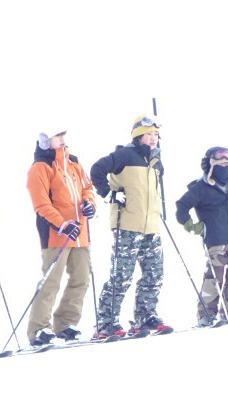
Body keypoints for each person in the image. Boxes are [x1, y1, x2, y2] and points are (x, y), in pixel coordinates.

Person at [89, 114, 172, 338]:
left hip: (151, 226)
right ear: (138, 136)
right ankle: (106, 323)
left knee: (154, 274)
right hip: (127, 224)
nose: (153, 138)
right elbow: (97, 170)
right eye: (148, 134)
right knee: (121, 276)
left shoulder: (156, 160)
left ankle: (145, 317)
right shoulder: (125, 155)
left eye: (155, 135)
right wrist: (110, 194)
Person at [26, 128, 96, 346]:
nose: (63, 139)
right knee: (51, 281)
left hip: (79, 232)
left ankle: (66, 323)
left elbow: (87, 187)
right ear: (46, 140)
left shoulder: (73, 162)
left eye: (63, 136)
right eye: (58, 136)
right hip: (56, 234)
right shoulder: (41, 166)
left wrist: (89, 203)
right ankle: (38, 328)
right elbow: (41, 204)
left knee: (81, 278)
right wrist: (62, 224)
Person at [175, 146, 228, 327]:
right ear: (210, 164)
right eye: (219, 161)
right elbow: (182, 205)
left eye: (227, 161)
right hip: (216, 239)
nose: (224, 164)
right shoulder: (201, 188)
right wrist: (192, 226)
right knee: (215, 277)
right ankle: (206, 313)